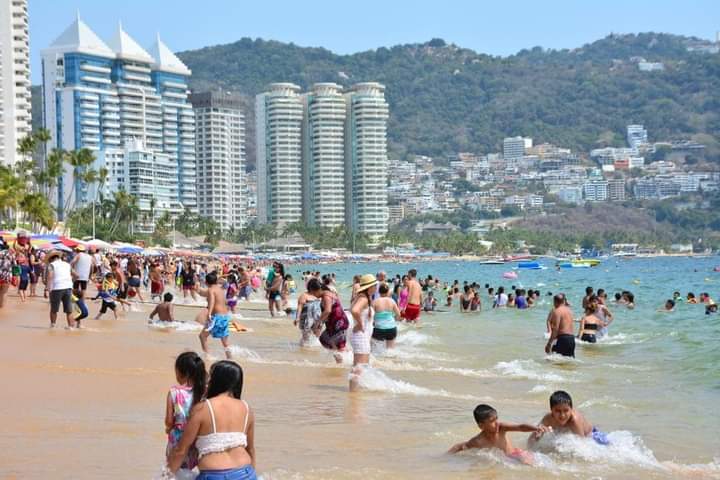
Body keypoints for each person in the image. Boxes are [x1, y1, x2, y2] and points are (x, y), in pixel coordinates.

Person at [166, 361, 256, 480]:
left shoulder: (202, 408)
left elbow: (181, 450)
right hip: (246, 473)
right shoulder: (246, 408)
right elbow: (250, 449)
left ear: (217, 380)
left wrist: (165, 476)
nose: (207, 381)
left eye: (210, 377)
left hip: (214, 475)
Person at [448, 404, 546, 465]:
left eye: (496, 419)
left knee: (534, 465)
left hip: (516, 454)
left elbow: (520, 427)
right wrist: (446, 456)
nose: (496, 423)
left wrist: (536, 428)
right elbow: (460, 446)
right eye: (492, 421)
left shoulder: (501, 428)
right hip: (505, 461)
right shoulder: (478, 441)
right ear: (481, 426)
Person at [164, 351, 206, 474]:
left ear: (182, 373)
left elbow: (169, 421)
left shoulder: (174, 392)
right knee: (194, 471)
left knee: (174, 472)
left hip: (178, 439)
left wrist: (169, 428)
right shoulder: (204, 392)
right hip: (197, 439)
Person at [529, 390, 609, 447]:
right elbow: (532, 439)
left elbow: (583, 447)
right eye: (558, 411)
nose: (562, 415)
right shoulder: (548, 418)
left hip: (592, 436)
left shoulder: (574, 421)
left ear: (571, 409)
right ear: (551, 410)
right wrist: (537, 436)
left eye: (566, 411)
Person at [349, 274, 377, 391]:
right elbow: (355, 311)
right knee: (359, 367)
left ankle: (354, 390)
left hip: (362, 336)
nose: (376, 287)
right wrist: (360, 325)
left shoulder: (364, 297)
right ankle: (353, 392)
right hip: (360, 336)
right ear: (369, 287)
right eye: (374, 285)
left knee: (359, 366)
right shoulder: (364, 298)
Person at [198, 272, 232, 359]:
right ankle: (230, 358)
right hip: (225, 316)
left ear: (206, 282)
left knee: (202, 336)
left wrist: (209, 313)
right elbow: (204, 293)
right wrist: (197, 289)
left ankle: (207, 356)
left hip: (216, 317)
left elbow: (212, 301)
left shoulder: (211, 290)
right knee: (224, 340)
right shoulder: (219, 289)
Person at [319, 276, 349, 363]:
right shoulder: (331, 291)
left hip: (337, 321)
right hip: (335, 321)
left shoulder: (327, 295)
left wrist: (319, 322)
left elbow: (328, 309)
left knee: (338, 344)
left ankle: (344, 360)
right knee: (328, 340)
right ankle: (343, 358)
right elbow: (337, 301)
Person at [46, 251, 75, 328]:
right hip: (68, 287)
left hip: (57, 288)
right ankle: (71, 327)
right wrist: (71, 282)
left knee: (54, 309)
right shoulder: (67, 264)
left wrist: (47, 289)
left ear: (51, 259)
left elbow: (50, 277)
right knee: (69, 310)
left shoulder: (51, 265)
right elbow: (76, 275)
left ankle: (52, 326)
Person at [372, 282, 401, 349]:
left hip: (379, 328)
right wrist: (393, 320)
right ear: (388, 292)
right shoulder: (392, 301)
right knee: (390, 350)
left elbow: (371, 315)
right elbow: (398, 314)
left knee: (376, 350)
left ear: (379, 292)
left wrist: (373, 322)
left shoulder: (375, 301)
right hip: (391, 328)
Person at [295, 278, 323, 346]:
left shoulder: (319, 295)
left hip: (317, 318)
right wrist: (297, 318)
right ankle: (303, 348)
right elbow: (300, 307)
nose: (318, 291)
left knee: (317, 335)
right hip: (306, 319)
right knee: (306, 336)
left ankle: (315, 348)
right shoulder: (304, 295)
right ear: (311, 288)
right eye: (317, 289)